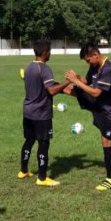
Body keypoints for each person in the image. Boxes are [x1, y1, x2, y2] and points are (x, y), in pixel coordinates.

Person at [64, 44, 111, 191]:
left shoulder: (109, 68)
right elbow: (87, 81)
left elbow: (96, 92)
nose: (87, 63)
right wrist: (76, 78)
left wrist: (76, 81)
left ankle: (110, 179)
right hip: (99, 103)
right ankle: (48, 88)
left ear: (96, 55)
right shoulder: (94, 65)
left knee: (106, 140)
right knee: (71, 89)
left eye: (88, 60)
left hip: (110, 109)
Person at [18, 41, 71, 187]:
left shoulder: (29, 67)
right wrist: (68, 81)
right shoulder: (45, 69)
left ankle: (23, 171)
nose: (50, 54)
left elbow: (45, 85)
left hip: (28, 111)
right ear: (45, 52)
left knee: (29, 140)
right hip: (41, 114)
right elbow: (52, 90)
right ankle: (42, 178)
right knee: (43, 143)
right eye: (50, 51)